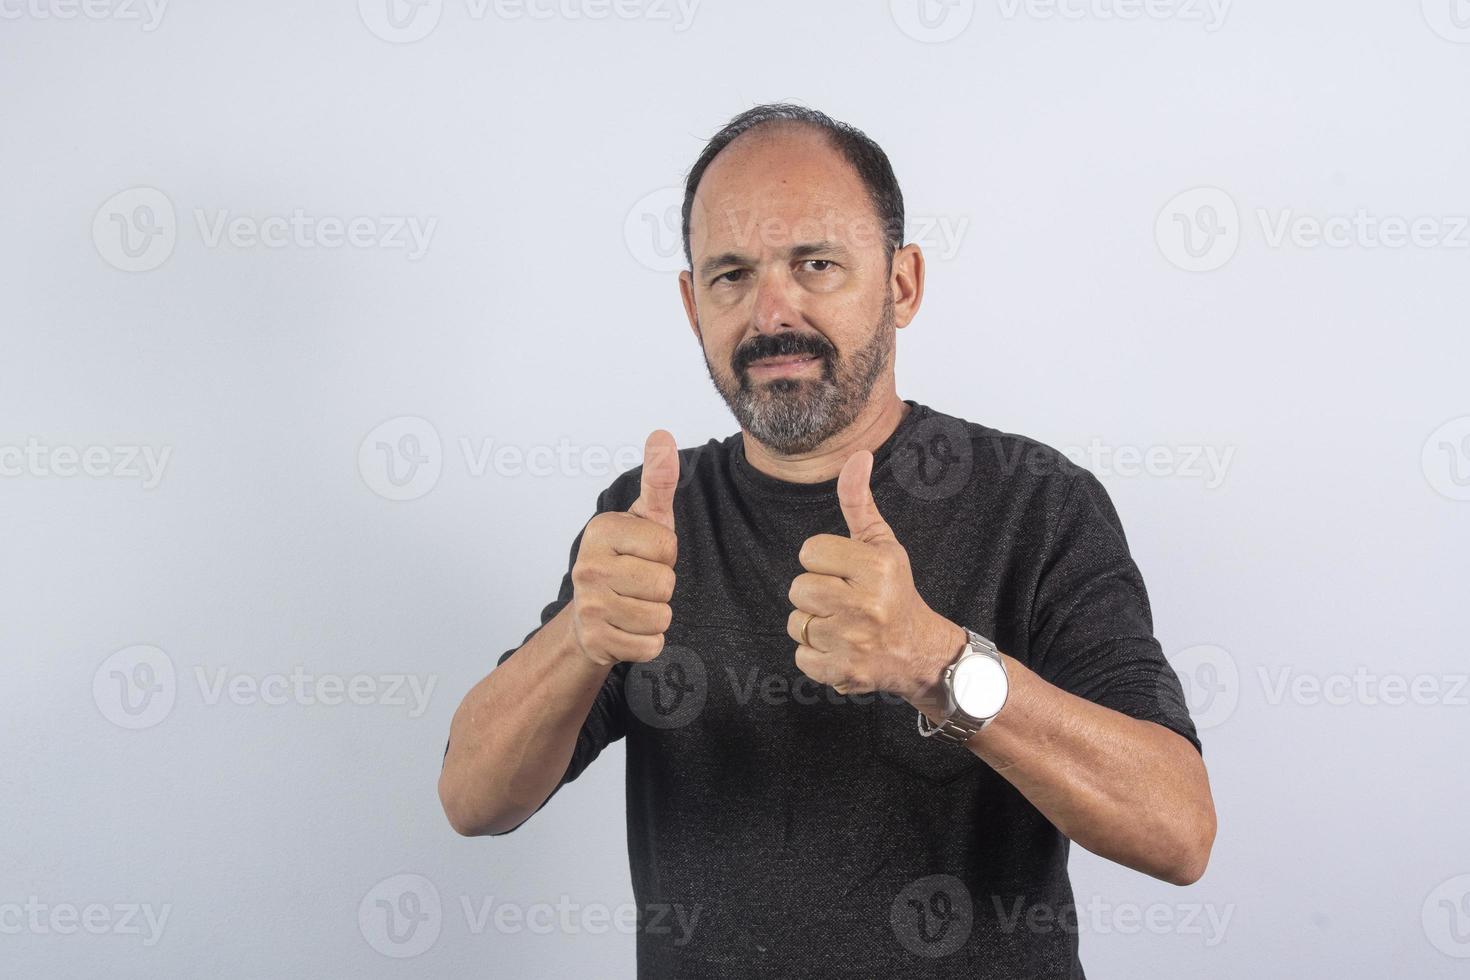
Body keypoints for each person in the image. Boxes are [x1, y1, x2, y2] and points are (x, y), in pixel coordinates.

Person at [439, 104, 1216, 978]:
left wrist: (936, 661)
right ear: (693, 306)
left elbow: (1177, 830)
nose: (773, 311)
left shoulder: (1036, 503)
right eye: (731, 275)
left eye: (816, 264)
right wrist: (578, 636)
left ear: (902, 284)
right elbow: (473, 800)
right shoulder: (648, 519)